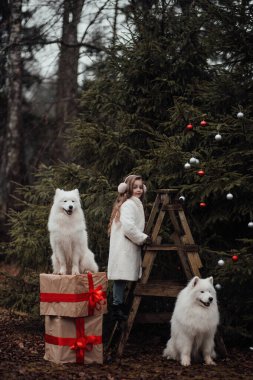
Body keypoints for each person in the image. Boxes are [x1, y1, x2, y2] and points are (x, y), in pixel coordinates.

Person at [107, 174, 152, 321]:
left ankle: (119, 305)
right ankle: (116, 307)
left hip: (127, 247)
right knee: (120, 278)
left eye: (141, 187)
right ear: (128, 189)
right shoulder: (129, 205)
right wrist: (143, 238)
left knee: (122, 277)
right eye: (135, 187)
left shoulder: (134, 203)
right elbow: (128, 227)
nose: (139, 190)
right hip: (124, 248)